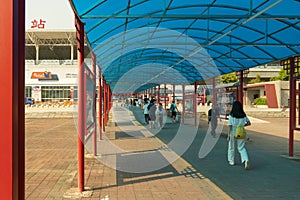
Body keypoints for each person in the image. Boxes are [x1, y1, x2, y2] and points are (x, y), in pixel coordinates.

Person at [227, 101, 251, 170]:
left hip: (233, 131)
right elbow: (249, 123)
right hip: (241, 131)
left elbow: (230, 126)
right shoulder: (243, 115)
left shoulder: (232, 115)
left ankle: (231, 161)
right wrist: (243, 126)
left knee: (231, 147)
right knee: (241, 147)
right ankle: (246, 160)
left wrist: (228, 135)